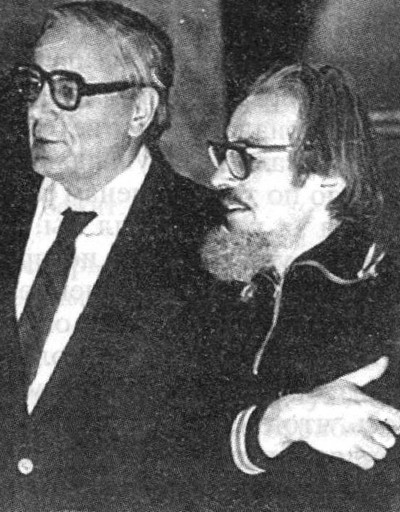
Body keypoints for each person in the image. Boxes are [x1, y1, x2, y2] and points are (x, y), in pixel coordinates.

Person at [0, 2, 216, 510]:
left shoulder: (205, 236)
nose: (38, 111)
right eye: (34, 84)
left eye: (67, 89)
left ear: (139, 111)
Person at [158, 64, 400, 511]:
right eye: (224, 153)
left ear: (327, 179)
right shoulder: (207, 283)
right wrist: (283, 421)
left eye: (246, 156)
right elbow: (152, 452)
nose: (219, 178)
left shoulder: (385, 298)